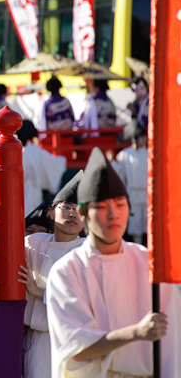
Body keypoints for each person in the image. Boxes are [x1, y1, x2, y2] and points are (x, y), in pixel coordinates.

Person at [46, 148, 181, 378]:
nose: (113, 215)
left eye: (120, 205)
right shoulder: (66, 271)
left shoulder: (149, 264)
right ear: (83, 212)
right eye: (101, 207)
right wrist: (136, 332)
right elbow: (75, 346)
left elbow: (172, 346)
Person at [18, 171, 85, 378]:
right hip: (39, 339)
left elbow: (83, 302)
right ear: (51, 212)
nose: (73, 214)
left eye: (80, 210)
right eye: (66, 207)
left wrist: (40, 292)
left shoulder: (89, 252)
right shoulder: (33, 243)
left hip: (77, 339)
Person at [17, 120, 67, 215]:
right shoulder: (37, 150)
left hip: (24, 190)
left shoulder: (24, 152)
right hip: (36, 191)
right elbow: (55, 163)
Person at [112, 120, 148, 245]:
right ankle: (138, 245)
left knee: (148, 221)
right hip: (133, 192)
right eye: (141, 136)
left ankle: (149, 245)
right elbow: (120, 174)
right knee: (136, 222)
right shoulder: (125, 155)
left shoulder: (150, 153)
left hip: (148, 193)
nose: (144, 139)